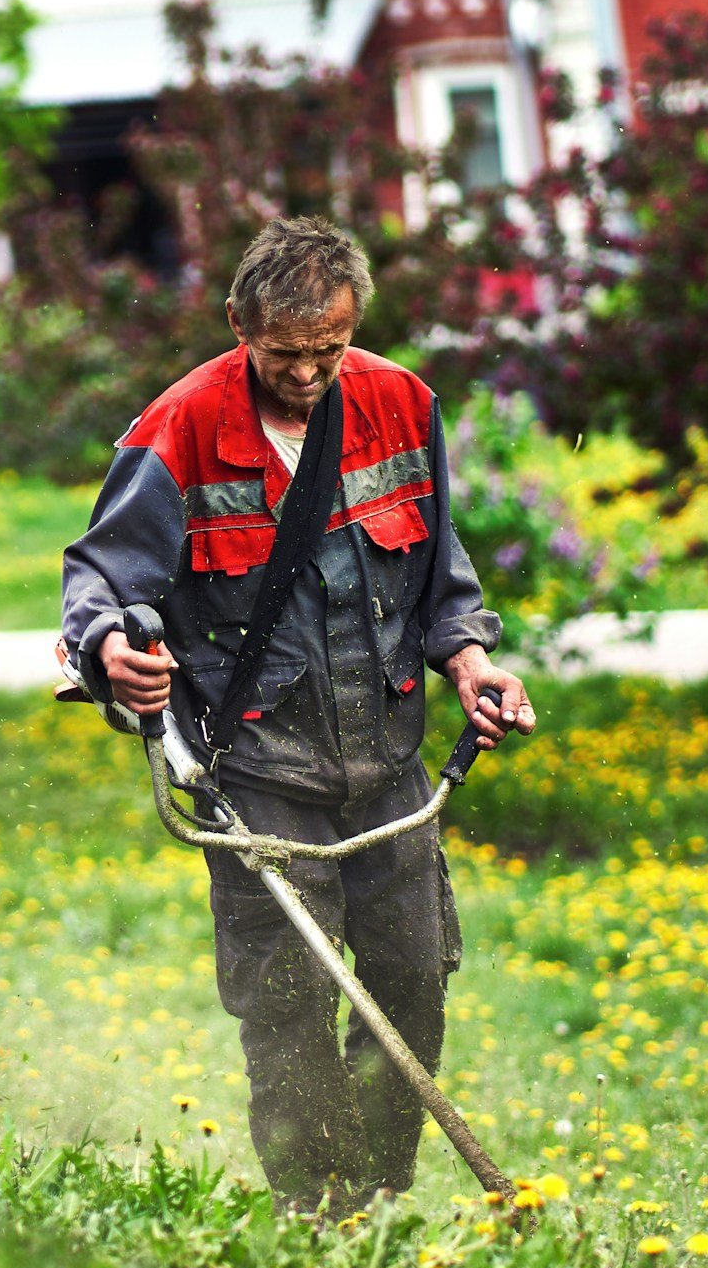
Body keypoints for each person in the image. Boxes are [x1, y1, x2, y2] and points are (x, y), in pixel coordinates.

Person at [60, 216, 536, 1215]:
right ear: (241, 324)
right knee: (288, 1001)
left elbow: (441, 573)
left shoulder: (401, 403)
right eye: (286, 354)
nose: (310, 374)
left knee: (410, 977)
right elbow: (103, 576)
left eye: (329, 349)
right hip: (260, 772)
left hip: (389, 759)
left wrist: (472, 661)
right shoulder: (180, 429)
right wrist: (114, 652)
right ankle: (319, 1209)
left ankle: (380, 1190)